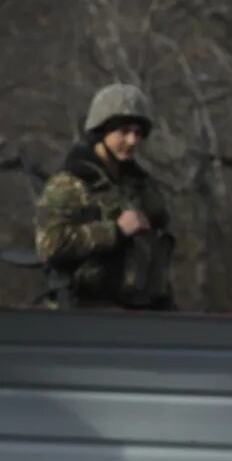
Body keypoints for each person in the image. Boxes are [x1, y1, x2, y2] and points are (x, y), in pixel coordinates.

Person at [33, 84, 173, 311]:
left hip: (140, 311)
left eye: (138, 133)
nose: (132, 141)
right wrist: (114, 231)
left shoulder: (141, 186)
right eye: (124, 131)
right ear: (102, 131)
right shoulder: (70, 183)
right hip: (85, 313)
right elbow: (50, 244)